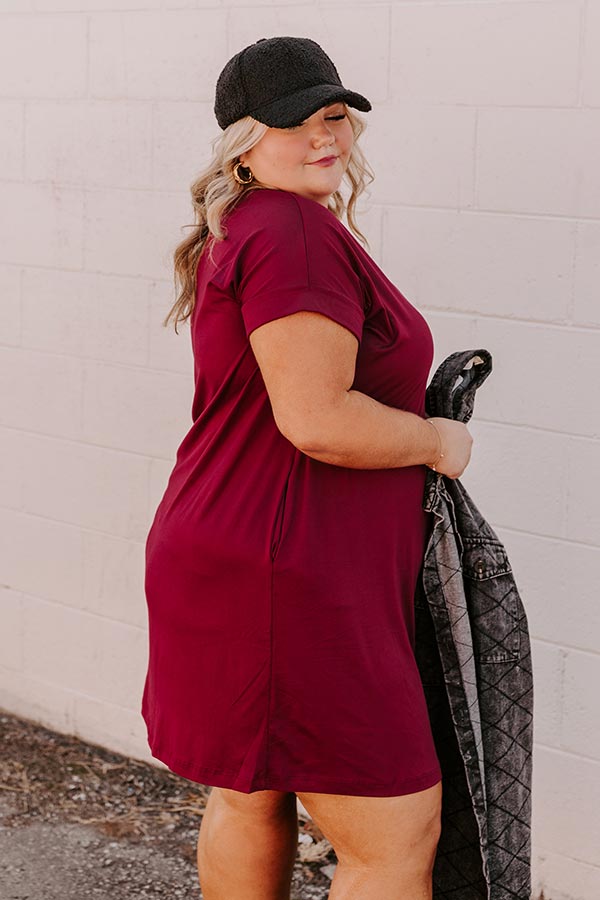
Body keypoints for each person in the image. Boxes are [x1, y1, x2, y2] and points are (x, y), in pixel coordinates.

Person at [141, 35, 473, 900]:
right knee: (394, 838)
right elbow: (318, 419)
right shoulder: (291, 231)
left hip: (239, 554)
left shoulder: (253, 224)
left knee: (251, 793)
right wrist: (436, 442)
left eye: (335, 115)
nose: (325, 137)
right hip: (289, 576)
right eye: (295, 122)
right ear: (243, 144)